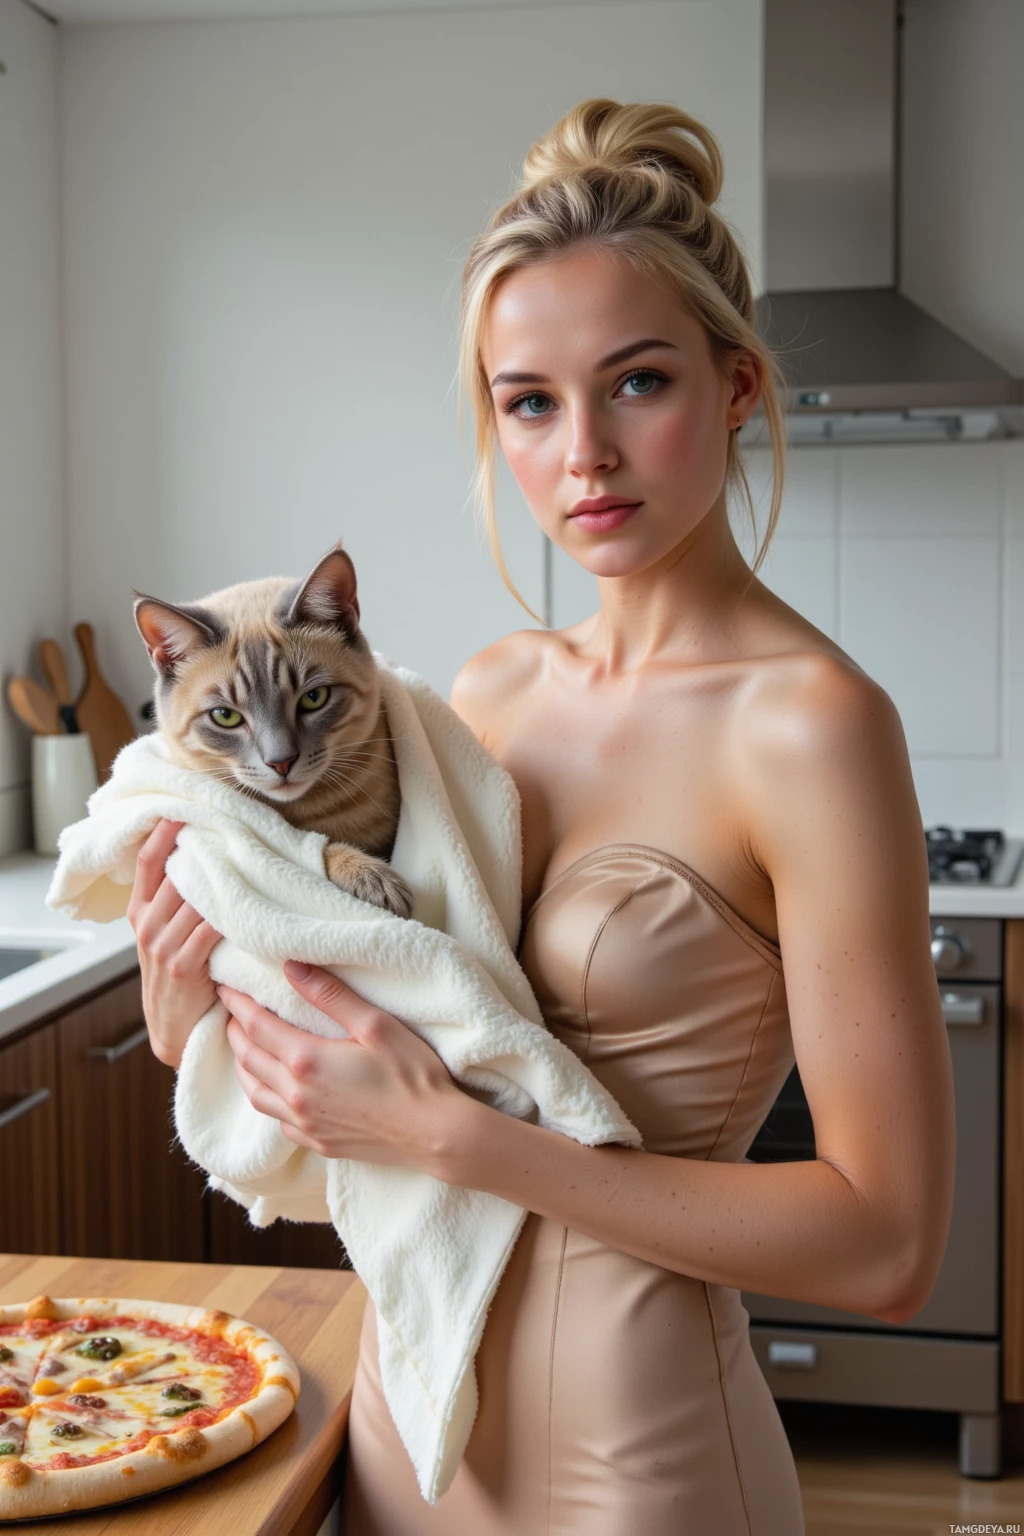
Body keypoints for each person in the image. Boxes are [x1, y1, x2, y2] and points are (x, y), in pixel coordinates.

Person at [128, 99, 955, 1535]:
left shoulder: (812, 726)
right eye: (529, 402)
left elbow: (887, 1245)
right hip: (405, 1420)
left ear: (737, 386)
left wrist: (460, 1141)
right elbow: (368, 1080)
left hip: (637, 1468)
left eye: (637, 382)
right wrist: (191, 1016)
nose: (585, 454)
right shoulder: (483, 693)